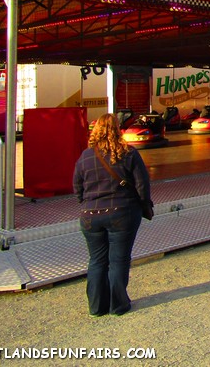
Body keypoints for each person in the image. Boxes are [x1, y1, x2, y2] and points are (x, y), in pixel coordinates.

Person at [73, 113, 152, 317]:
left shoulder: (85, 156)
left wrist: (87, 203)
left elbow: (77, 187)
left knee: (96, 260)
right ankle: (118, 305)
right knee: (118, 260)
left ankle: (96, 306)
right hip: (123, 212)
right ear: (118, 130)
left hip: (90, 215)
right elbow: (142, 185)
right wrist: (145, 205)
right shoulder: (129, 153)